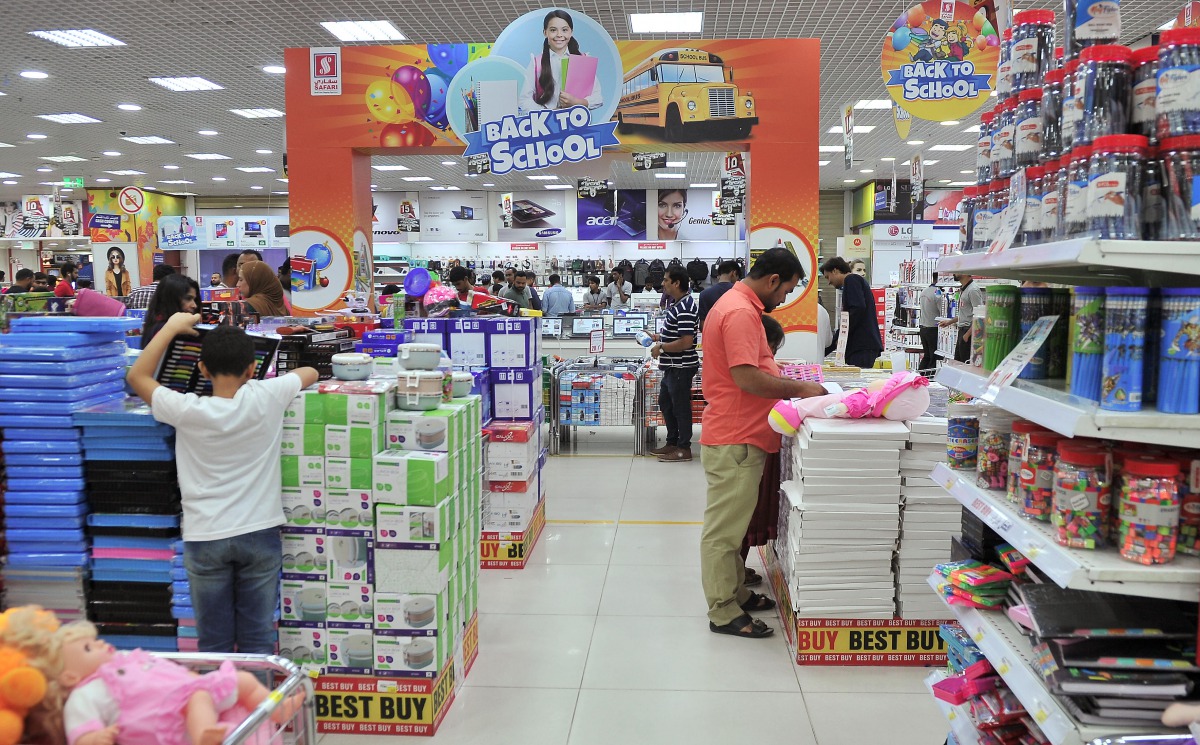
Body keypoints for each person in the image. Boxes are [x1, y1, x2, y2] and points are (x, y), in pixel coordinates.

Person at [127, 313, 319, 657]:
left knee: (213, 645)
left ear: (202, 369)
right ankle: (258, 708)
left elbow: (137, 375)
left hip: (206, 536)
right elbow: (310, 373)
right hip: (259, 532)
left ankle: (220, 706)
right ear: (251, 368)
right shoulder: (266, 395)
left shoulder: (185, 409)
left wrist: (170, 328)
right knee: (258, 642)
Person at [700, 247, 826, 639]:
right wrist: (801, 388)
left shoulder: (740, 306)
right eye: (787, 290)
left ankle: (736, 591)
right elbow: (747, 378)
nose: (785, 299)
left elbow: (754, 367)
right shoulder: (739, 312)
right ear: (773, 280)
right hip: (736, 437)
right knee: (724, 532)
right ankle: (722, 611)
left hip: (742, 434)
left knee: (734, 528)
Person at [2, 607, 301, 745]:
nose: (102, 643)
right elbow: (80, 733)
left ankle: (280, 709)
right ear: (68, 675)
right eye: (89, 647)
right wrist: (96, 737)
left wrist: (185, 675)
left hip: (192, 690)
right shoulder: (84, 695)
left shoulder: (121, 659)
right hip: (170, 716)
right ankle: (203, 736)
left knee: (244, 680)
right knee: (198, 698)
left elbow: (157, 671)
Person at [648, 266, 699, 463]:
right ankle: (672, 441)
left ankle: (683, 448)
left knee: (680, 407)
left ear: (677, 283)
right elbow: (677, 334)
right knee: (666, 403)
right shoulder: (677, 304)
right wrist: (656, 337)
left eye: (666, 280)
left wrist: (661, 348)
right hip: (672, 366)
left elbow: (686, 342)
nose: (663, 283)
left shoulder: (685, 307)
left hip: (681, 366)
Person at [518, 9, 603, 115]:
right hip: (546, 126)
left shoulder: (583, 61)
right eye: (553, 30)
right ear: (545, 32)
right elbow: (524, 100)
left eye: (564, 30)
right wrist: (548, 114)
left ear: (571, 32)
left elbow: (598, 98)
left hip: (577, 122)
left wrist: (577, 102)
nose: (559, 35)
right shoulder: (536, 63)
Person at [819, 256, 883, 369]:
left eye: (828, 277)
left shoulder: (851, 279)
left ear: (835, 270)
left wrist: (841, 334)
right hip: (863, 346)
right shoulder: (855, 282)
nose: (829, 282)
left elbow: (857, 308)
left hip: (861, 346)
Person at [142, 274, 201, 348]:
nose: (194, 305)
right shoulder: (164, 330)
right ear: (171, 300)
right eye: (188, 298)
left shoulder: (156, 323)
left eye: (194, 300)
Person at [697, 260, 742, 330]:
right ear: (734, 273)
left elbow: (703, 326)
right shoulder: (740, 292)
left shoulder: (704, 294)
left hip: (712, 337)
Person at [954, 273, 985, 363]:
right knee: (958, 363)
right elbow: (966, 313)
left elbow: (980, 315)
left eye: (957, 271)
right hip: (962, 331)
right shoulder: (964, 289)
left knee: (965, 363)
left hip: (968, 332)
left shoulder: (973, 290)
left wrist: (967, 335)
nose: (954, 273)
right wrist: (950, 322)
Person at [918, 273, 944, 374]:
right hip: (933, 328)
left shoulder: (924, 291)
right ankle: (929, 380)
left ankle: (919, 377)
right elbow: (943, 311)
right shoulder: (937, 293)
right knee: (933, 357)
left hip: (923, 328)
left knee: (927, 355)